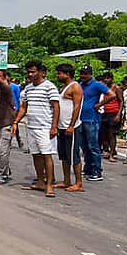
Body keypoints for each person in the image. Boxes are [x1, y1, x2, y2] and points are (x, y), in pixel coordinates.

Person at [11, 60, 60, 198]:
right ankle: (40, 181)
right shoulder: (28, 89)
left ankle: (49, 184)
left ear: (40, 72)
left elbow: (56, 107)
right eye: (29, 72)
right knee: (36, 155)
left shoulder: (49, 87)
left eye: (33, 71)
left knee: (46, 155)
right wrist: (16, 122)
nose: (31, 74)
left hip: (45, 127)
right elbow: (23, 108)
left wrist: (54, 126)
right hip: (31, 126)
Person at [76, 66, 115, 182]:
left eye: (85, 74)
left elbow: (111, 95)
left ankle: (97, 171)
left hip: (91, 119)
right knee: (84, 146)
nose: (83, 76)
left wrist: (99, 104)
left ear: (90, 74)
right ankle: (88, 168)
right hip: (80, 118)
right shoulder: (80, 85)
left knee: (93, 146)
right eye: (81, 73)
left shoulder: (97, 84)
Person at [54, 64, 84, 192]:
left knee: (74, 156)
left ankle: (78, 183)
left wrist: (71, 125)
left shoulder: (75, 87)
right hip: (62, 126)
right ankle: (66, 180)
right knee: (64, 155)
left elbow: (77, 107)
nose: (58, 75)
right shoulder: (64, 87)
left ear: (67, 74)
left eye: (59, 73)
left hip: (71, 127)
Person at [97, 71, 122, 162]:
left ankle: (112, 153)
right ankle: (106, 150)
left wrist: (119, 114)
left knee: (112, 134)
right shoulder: (103, 88)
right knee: (103, 133)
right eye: (105, 78)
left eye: (108, 78)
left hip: (113, 112)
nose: (107, 80)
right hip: (104, 112)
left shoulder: (116, 88)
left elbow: (121, 101)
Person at [6, 71, 23, 150]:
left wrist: (18, 108)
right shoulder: (2, 86)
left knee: (14, 124)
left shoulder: (15, 87)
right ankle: (8, 141)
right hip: (6, 109)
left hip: (14, 108)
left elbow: (18, 98)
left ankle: (18, 139)